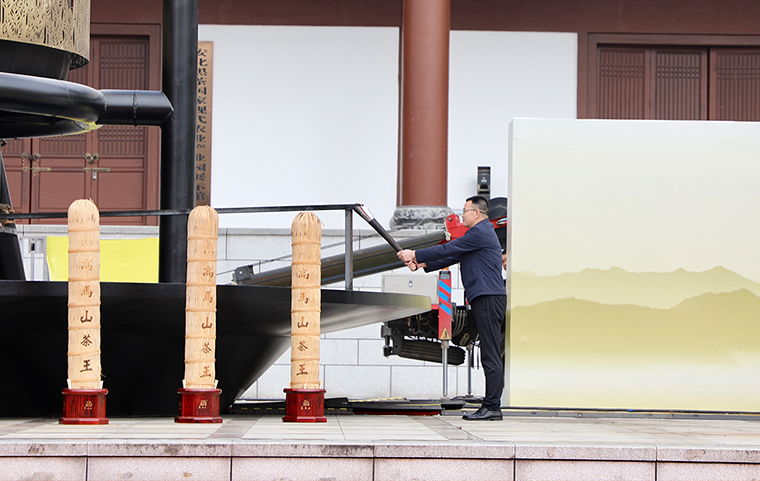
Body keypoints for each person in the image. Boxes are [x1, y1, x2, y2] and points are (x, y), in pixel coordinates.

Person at [397, 196, 507, 421]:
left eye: (465, 211)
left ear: (477, 213)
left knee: (490, 354)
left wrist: (415, 254)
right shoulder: (478, 235)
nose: (461, 215)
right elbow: (455, 255)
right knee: (489, 353)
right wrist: (422, 264)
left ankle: (493, 407)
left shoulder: (480, 232)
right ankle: (492, 406)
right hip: (486, 297)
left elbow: (450, 247)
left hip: (488, 297)